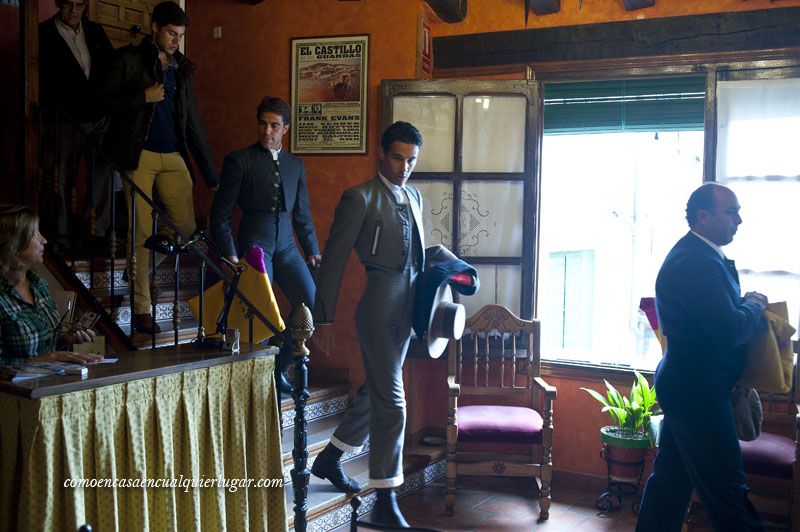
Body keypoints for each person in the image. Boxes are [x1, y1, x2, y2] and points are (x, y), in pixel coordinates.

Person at [311, 121, 425, 528]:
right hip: (377, 310)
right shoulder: (359, 198)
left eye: (411, 160)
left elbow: (420, 258)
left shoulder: (414, 196)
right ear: (381, 153)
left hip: (407, 311)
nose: (404, 167)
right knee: (393, 403)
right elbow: (335, 260)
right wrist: (322, 318)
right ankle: (385, 497)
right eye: (397, 157)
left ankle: (329, 458)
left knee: (376, 392)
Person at [636, 183, 769, 531]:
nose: (739, 219)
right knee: (726, 487)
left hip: (693, 384)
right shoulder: (693, 261)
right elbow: (729, 331)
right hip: (697, 391)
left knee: (670, 484)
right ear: (702, 216)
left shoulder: (704, 255)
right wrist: (754, 304)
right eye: (731, 211)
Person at [100, 1, 218, 334]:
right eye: (170, 33)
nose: (175, 41)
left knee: (183, 227)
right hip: (139, 154)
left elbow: (192, 122)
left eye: (180, 36)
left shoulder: (181, 68)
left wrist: (210, 174)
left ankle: (138, 270)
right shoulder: (128, 59)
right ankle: (141, 309)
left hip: (173, 154)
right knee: (140, 232)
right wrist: (142, 97)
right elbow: (100, 102)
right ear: (154, 28)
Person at [210, 97, 321, 394]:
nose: (266, 131)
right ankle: (256, 383)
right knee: (261, 313)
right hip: (255, 245)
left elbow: (302, 213)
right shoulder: (239, 160)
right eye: (262, 124)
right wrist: (230, 253)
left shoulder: (295, 165)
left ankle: (278, 367)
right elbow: (220, 214)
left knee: (312, 304)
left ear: (285, 129)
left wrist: (311, 249)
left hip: (287, 246)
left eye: (274, 125)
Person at [39, 0, 116, 251]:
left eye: (80, 4)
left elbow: (111, 68)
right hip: (65, 119)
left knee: (102, 174)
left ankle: (95, 232)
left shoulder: (95, 31)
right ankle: (61, 235)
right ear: (59, 4)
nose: (74, 10)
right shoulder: (43, 33)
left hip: (99, 117)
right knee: (61, 178)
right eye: (69, 4)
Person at [0, 205, 102, 365]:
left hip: (51, 384)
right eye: (35, 233)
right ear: (14, 243)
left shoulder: (38, 284)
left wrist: (66, 339)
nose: (44, 240)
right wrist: (51, 358)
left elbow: (47, 342)